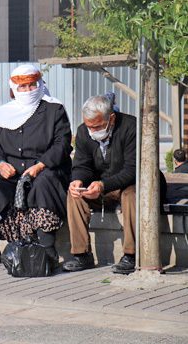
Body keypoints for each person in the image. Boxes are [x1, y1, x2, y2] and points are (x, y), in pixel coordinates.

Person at [0, 64, 72, 267]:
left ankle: (48, 250)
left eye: (32, 85)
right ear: (14, 88)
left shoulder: (54, 109)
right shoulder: (4, 112)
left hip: (44, 169)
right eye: (23, 87)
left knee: (44, 184)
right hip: (13, 171)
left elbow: (62, 144)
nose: (28, 91)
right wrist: (0, 164)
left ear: (39, 84)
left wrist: (40, 165)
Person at [62, 95, 138, 274]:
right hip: (100, 184)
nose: (92, 130)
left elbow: (132, 169)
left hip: (129, 183)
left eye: (96, 126)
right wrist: (78, 180)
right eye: (89, 126)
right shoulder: (83, 132)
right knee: (74, 195)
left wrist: (103, 185)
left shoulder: (131, 127)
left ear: (111, 118)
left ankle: (131, 254)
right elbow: (82, 164)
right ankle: (81, 254)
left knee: (131, 196)